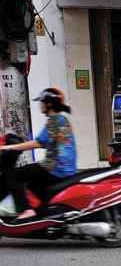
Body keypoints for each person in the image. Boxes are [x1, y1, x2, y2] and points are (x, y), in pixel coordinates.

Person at [0, 88, 77, 221]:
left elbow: (38, 143)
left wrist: (8, 147)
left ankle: (26, 210)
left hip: (55, 167)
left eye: (41, 101)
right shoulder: (62, 120)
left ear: (49, 104)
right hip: (64, 167)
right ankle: (41, 212)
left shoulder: (54, 121)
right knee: (32, 181)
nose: (39, 104)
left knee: (11, 174)